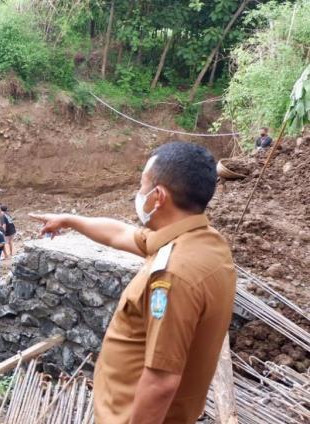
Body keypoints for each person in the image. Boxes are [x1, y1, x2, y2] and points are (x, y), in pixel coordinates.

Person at [30, 142, 236, 424]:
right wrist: (69, 220)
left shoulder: (173, 275)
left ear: (158, 196)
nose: (138, 195)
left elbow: (161, 382)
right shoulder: (201, 241)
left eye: (142, 186)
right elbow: (121, 234)